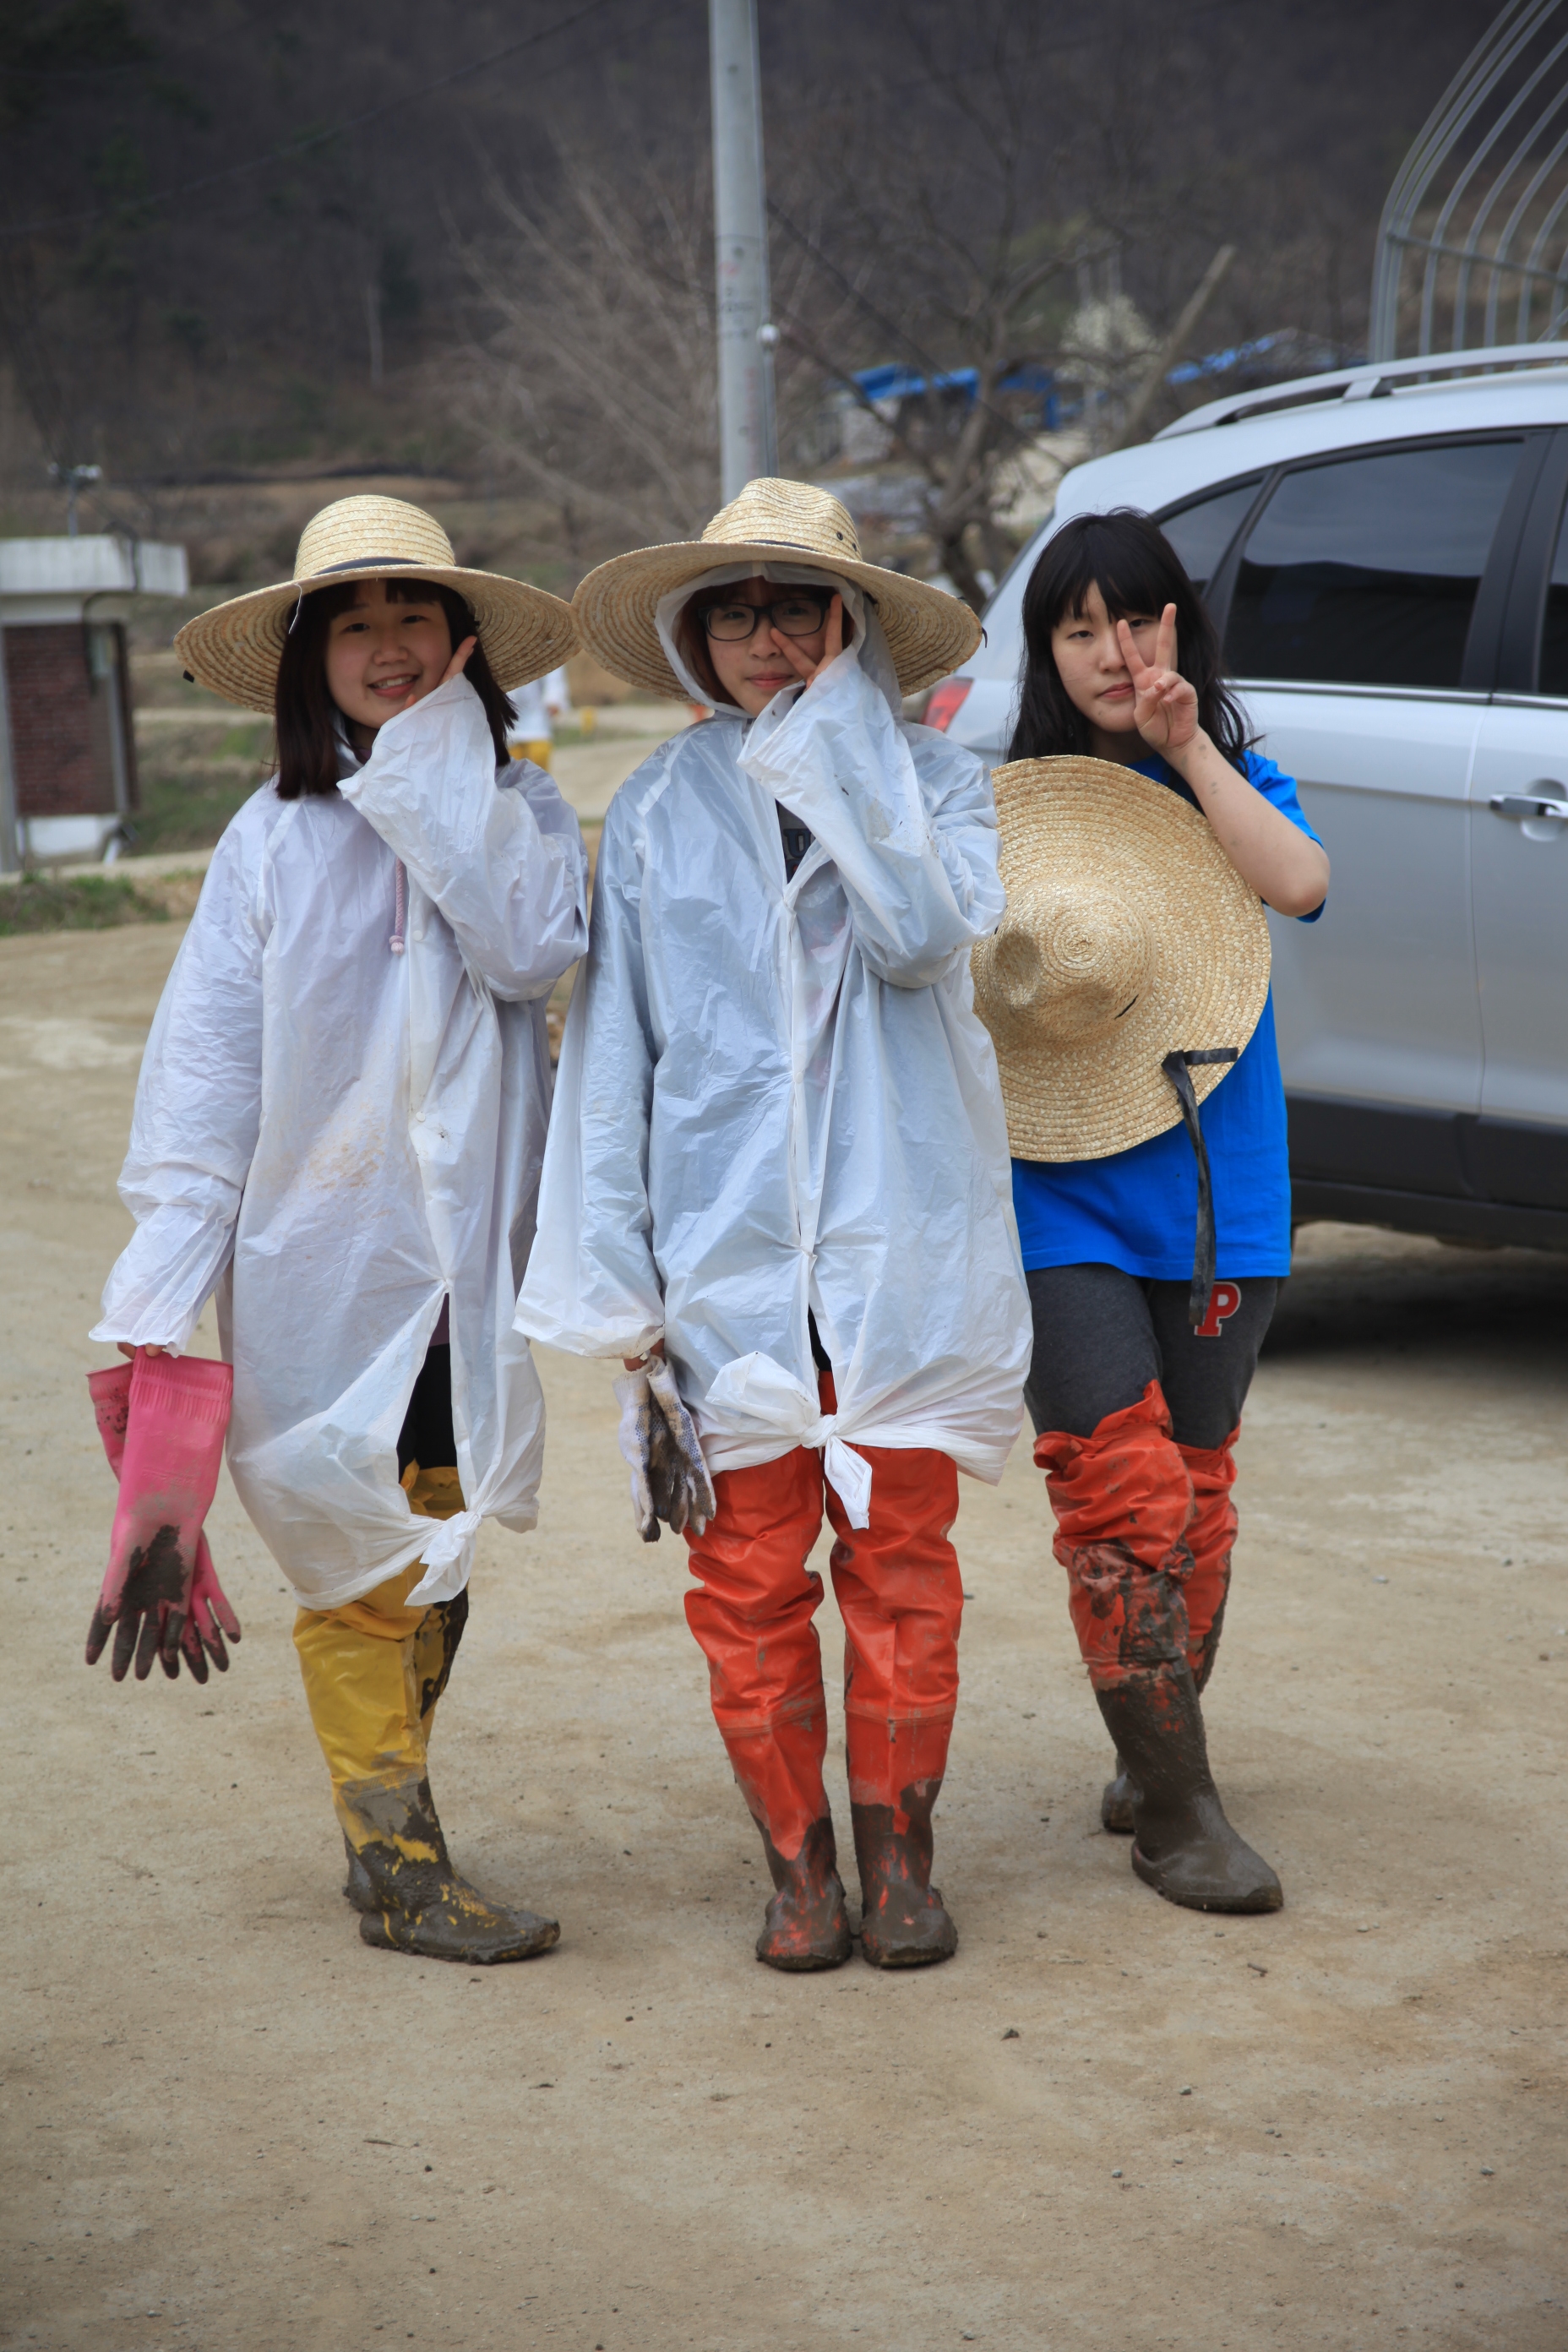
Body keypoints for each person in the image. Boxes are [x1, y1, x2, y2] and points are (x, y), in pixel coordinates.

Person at [517, 479, 1032, 1971]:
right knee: (745, 1578)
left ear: (852, 624)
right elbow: (615, 1055)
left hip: (901, 1256)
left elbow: (921, 937)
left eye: (796, 607)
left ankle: (903, 1860)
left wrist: (841, 753)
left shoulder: (939, 785)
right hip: (727, 1266)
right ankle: (798, 1868)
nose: (764, 638)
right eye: (732, 612)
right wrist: (624, 1290)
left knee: (903, 1564)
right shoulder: (657, 809)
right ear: (694, 636)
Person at [89, 494, 589, 1964]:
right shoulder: (269, 842)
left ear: (462, 641)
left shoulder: (523, 813)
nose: (386, 645)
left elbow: (526, 950)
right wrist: (154, 1302)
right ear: (310, 657)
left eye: (412, 615)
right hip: (321, 1266)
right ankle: (396, 1860)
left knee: (437, 1550)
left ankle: (388, 1817)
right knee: (361, 1572)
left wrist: (435, 777)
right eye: (354, 622)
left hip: (462, 1275)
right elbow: (205, 1084)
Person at [972, 508, 1329, 1916]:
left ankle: (1150, 1744)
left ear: (1182, 624)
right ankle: (1180, 1817)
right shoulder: (997, 805)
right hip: (1051, 1189)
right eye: (1079, 628)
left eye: (1136, 618)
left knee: (1196, 1491)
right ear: (1045, 652)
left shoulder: (1233, 773)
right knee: (1118, 1494)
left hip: (1220, 1194)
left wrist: (1189, 749)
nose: (1112, 650)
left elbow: (1301, 882)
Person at [506, 665, 571, 768]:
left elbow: (553, 674)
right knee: (512, 768)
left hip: (538, 721)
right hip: (509, 723)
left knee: (538, 759)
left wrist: (554, 699)